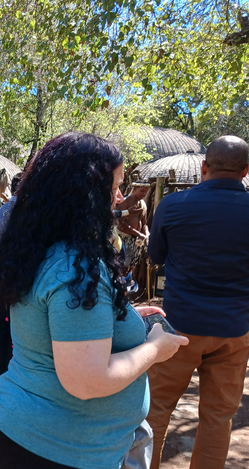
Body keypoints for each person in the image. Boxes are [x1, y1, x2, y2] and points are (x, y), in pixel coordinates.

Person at [0, 132, 188, 469]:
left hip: (32, 433)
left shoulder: (40, 247)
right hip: (58, 449)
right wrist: (155, 347)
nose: (120, 197)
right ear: (84, 192)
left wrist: (118, 315)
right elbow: (86, 380)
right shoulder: (74, 265)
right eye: (115, 186)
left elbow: (56, 318)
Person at [146, 135, 249, 469]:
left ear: (204, 167)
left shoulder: (173, 206)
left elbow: (156, 256)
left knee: (156, 410)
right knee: (219, 418)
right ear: (246, 171)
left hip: (178, 328)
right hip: (234, 330)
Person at [0, 172, 22, 376]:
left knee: (4, 324)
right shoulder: (29, 214)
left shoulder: (2, 211)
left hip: (2, 275)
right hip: (19, 277)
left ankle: (2, 369)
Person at [115, 182, 150, 291]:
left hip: (136, 241)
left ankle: (126, 290)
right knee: (122, 266)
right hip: (125, 239)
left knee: (131, 266)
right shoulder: (126, 202)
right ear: (134, 189)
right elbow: (120, 225)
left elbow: (144, 223)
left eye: (146, 191)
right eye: (142, 191)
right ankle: (120, 290)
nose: (144, 194)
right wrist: (138, 234)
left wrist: (146, 233)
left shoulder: (143, 204)